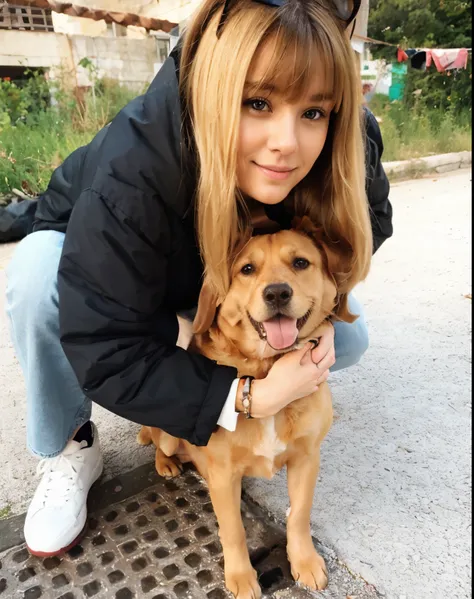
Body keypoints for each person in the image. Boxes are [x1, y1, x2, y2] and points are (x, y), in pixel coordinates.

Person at [5, 0, 392, 557]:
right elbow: (107, 344)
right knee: (39, 278)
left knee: (349, 341)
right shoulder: (138, 161)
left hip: (226, 278)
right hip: (118, 265)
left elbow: (368, 224)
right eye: (257, 103)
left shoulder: (350, 130)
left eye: (314, 112)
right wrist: (242, 396)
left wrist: (326, 308)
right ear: (215, 88)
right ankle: (71, 444)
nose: (287, 141)